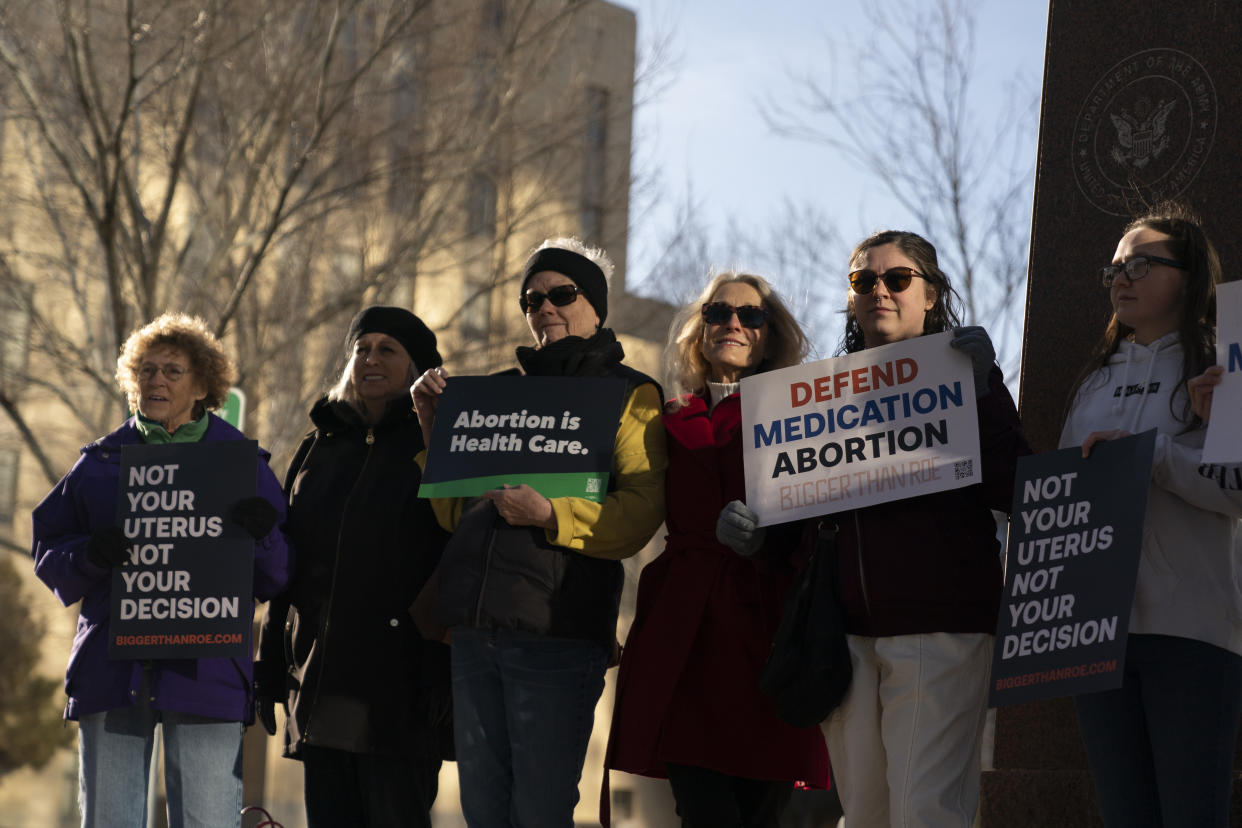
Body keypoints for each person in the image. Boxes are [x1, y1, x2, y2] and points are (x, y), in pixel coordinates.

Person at [411, 237, 668, 828]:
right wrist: (432, 434)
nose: (545, 307)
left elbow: (640, 512)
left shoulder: (632, 394)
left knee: (539, 811)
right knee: (482, 809)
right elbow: (454, 517)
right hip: (475, 633)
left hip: (557, 633)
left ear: (595, 306)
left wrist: (552, 514)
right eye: (532, 299)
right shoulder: (496, 391)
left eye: (562, 294)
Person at [31, 312, 291, 828]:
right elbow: (48, 551)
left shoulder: (242, 466)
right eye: (146, 370)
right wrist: (89, 554)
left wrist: (262, 536)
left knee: (206, 818)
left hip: (207, 671)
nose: (156, 381)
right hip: (114, 669)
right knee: (110, 820)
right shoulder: (101, 463)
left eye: (172, 371)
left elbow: (276, 577)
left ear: (202, 387)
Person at [605, 271, 830, 827]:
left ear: (768, 335)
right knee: (702, 812)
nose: (732, 323)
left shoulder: (801, 415)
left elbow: (823, 516)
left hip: (768, 635)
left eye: (750, 315)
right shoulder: (667, 417)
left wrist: (768, 540)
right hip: (685, 637)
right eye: (718, 313)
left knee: (762, 814)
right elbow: (624, 496)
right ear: (699, 330)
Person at [819, 230, 1028, 828]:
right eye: (863, 280)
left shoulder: (967, 379)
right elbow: (809, 517)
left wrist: (985, 387)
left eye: (897, 278)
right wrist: (762, 530)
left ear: (932, 293)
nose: (878, 290)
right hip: (849, 638)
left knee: (925, 813)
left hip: (940, 630)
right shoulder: (819, 399)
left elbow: (1017, 486)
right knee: (864, 817)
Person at [1060, 204, 1242, 828]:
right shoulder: (1090, 384)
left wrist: (1154, 456)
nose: (1121, 276)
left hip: (1193, 630)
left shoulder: (1224, 366)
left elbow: (1237, 491)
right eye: (1113, 266)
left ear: (1189, 277)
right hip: (1094, 634)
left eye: (1141, 263)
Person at [255, 306, 451, 828]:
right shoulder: (318, 446)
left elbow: (457, 553)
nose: (370, 358)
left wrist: (443, 678)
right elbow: (286, 564)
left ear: (418, 367)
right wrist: (270, 664)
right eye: (362, 348)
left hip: (402, 691)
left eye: (388, 349)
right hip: (320, 681)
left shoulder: (436, 444)